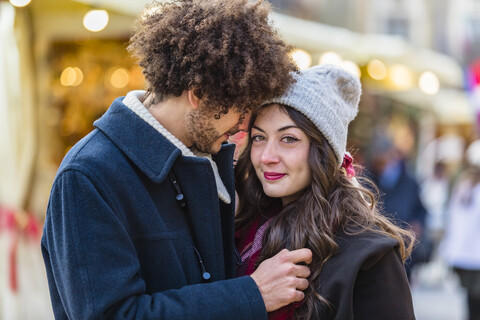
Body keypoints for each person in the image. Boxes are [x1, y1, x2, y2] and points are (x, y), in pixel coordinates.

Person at [40, 1, 313, 319]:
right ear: (199, 94)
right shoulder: (88, 175)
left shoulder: (203, 158)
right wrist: (252, 293)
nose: (242, 126)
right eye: (240, 109)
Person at [235, 65, 416, 319]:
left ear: (323, 151)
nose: (266, 157)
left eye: (288, 139)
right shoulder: (240, 230)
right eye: (258, 138)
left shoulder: (369, 254)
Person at [369, 135, 429, 280]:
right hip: (376, 245)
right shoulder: (369, 178)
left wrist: (417, 224)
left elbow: (421, 209)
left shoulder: (409, 182)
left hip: (404, 246)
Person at [441, 139, 480, 320]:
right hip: (474, 257)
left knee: (471, 304)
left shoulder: (461, 186)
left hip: (464, 256)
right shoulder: (468, 188)